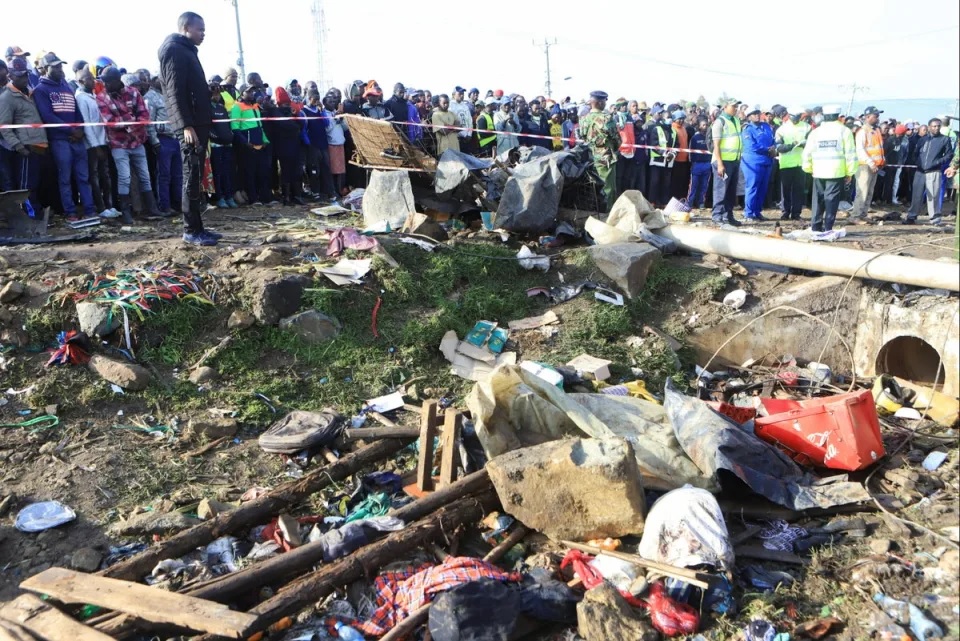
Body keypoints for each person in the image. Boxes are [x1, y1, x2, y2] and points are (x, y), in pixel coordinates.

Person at [158, 11, 219, 245]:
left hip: (197, 122)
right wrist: (186, 125)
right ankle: (190, 230)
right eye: (199, 29)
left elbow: (188, 88)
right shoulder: (174, 50)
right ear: (186, 28)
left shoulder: (186, 50)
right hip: (189, 126)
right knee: (191, 175)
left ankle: (198, 227)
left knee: (196, 176)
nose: (203, 34)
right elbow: (175, 92)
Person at [32, 52, 97, 222]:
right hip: (60, 140)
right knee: (65, 178)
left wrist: (80, 129)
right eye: (56, 67)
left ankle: (89, 210)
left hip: (77, 139)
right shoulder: (40, 90)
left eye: (61, 66)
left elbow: (76, 111)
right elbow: (48, 116)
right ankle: (70, 212)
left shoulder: (66, 86)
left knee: (83, 177)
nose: (60, 69)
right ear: (45, 69)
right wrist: (70, 131)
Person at [96, 67, 156, 223]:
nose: (105, 85)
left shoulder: (133, 93)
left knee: (145, 176)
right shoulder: (102, 98)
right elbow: (110, 122)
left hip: (138, 141)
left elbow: (144, 116)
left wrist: (128, 123)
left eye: (108, 82)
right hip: (118, 144)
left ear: (117, 81)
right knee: (124, 177)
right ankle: (126, 211)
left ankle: (152, 209)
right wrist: (132, 121)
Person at [0, 57, 47, 212]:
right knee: (26, 185)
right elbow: (4, 127)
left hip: (39, 144)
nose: (24, 78)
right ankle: (29, 215)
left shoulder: (31, 93)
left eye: (26, 74)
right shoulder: (7, 97)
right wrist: (19, 146)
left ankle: (35, 212)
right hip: (26, 147)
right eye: (19, 75)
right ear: (11, 76)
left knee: (36, 182)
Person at [801, 104, 856, 232]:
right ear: (837, 116)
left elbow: (807, 153)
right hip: (836, 172)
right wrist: (850, 172)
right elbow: (850, 154)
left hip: (818, 171)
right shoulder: (844, 131)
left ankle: (815, 227)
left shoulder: (816, 132)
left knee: (818, 200)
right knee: (831, 201)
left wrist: (808, 168)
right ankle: (828, 228)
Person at [75, 68, 119, 218]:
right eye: (89, 78)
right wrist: (95, 146)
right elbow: (87, 124)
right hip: (91, 145)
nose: (93, 81)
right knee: (94, 177)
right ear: (81, 81)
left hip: (102, 141)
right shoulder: (81, 98)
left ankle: (109, 205)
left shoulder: (93, 96)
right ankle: (100, 208)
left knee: (105, 175)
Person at [139, 69, 181, 216]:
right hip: (162, 139)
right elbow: (149, 122)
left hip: (175, 138)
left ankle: (179, 203)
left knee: (178, 175)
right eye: (160, 78)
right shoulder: (150, 97)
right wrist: (155, 141)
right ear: (153, 80)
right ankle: (165, 205)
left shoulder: (170, 95)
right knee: (164, 175)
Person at [906, 118, 952, 225]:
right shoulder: (923, 139)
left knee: (934, 196)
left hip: (934, 171)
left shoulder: (944, 139)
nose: (936, 128)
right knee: (916, 195)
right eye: (934, 126)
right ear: (929, 127)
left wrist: (937, 162)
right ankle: (912, 216)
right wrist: (918, 162)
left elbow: (949, 154)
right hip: (920, 172)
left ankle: (935, 218)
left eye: (938, 126)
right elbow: (916, 153)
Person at [231, 85, 272, 206]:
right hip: (248, 145)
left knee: (263, 172)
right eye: (248, 92)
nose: (251, 94)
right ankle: (253, 199)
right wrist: (245, 142)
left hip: (260, 143)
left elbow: (260, 126)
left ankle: (265, 197)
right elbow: (235, 128)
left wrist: (265, 140)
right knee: (250, 173)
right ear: (242, 93)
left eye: (252, 91)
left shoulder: (255, 106)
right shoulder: (237, 106)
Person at [579, 91, 619, 210]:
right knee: (608, 187)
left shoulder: (584, 119)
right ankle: (607, 213)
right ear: (600, 103)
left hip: (590, 157)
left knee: (593, 186)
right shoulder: (607, 118)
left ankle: (595, 211)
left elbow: (582, 136)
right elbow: (617, 139)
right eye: (605, 101)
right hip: (605, 158)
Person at [740, 104, 776, 221]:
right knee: (752, 187)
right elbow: (751, 146)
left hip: (766, 161)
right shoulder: (747, 129)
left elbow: (773, 140)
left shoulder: (766, 126)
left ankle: (757, 212)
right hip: (753, 162)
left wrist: (774, 147)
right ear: (749, 116)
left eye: (758, 113)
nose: (757, 115)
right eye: (754, 114)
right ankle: (749, 213)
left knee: (762, 188)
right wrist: (767, 149)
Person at [710, 98, 743, 226]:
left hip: (734, 160)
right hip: (723, 162)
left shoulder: (736, 120)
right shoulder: (720, 122)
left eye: (736, 106)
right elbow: (716, 145)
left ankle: (728, 216)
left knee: (731, 191)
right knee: (720, 190)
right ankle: (717, 216)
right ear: (725, 107)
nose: (736, 108)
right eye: (733, 106)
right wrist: (720, 164)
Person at [774, 106, 810, 220]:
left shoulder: (806, 127)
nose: (796, 119)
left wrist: (804, 144)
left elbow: (812, 143)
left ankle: (796, 213)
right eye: (794, 117)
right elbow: (779, 147)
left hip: (801, 164)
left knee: (798, 190)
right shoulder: (781, 130)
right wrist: (791, 146)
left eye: (798, 117)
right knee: (785, 190)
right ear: (789, 115)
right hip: (786, 164)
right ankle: (785, 212)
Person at [851, 105, 885, 222]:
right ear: (867, 117)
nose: (877, 118)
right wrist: (871, 162)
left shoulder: (876, 130)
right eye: (875, 116)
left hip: (875, 166)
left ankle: (863, 214)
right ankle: (855, 216)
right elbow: (860, 149)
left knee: (869, 192)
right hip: (865, 165)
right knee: (862, 192)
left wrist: (881, 161)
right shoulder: (862, 131)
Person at [302, 89, 336, 201]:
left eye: (318, 99)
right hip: (313, 145)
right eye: (314, 99)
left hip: (323, 143)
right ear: (309, 98)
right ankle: (315, 192)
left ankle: (330, 192)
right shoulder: (304, 112)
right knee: (314, 170)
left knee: (326, 168)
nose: (316, 101)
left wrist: (322, 111)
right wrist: (308, 143)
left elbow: (326, 123)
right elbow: (303, 130)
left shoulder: (320, 110)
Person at [208, 80, 236, 208]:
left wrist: (230, 136)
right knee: (218, 172)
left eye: (218, 94)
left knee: (227, 172)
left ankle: (229, 196)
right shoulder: (207, 108)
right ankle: (220, 197)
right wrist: (216, 137)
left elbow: (228, 124)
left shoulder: (222, 107)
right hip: (216, 146)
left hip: (227, 144)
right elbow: (208, 127)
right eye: (214, 94)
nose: (217, 96)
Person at [646, 105, 676, 208]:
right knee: (654, 183)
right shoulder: (656, 129)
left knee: (666, 184)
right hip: (657, 161)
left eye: (670, 118)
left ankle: (663, 202)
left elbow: (676, 145)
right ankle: (652, 202)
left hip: (669, 162)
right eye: (667, 117)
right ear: (663, 118)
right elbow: (654, 145)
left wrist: (672, 154)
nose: (669, 119)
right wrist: (664, 153)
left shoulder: (673, 131)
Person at [323, 92, 346, 200]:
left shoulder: (335, 112)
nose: (332, 104)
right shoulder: (325, 114)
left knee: (340, 170)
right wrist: (335, 118)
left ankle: (339, 190)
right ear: (325, 103)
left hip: (340, 143)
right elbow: (327, 129)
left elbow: (345, 128)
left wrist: (341, 119)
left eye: (333, 102)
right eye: (330, 102)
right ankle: (333, 191)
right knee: (333, 171)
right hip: (332, 144)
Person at [687, 117, 712, 210]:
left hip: (707, 164)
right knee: (693, 185)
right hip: (697, 164)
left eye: (706, 125)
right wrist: (692, 163)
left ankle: (701, 202)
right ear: (699, 126)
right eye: (703, 125)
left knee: (704, 185)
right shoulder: (695, 138)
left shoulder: (710, 138)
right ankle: (690, 203)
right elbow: (691, 151)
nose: (705, 127)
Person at [670, 109, 691, 201]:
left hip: (684, 159)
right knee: (675, 182)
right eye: (679, 119)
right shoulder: (673, 129)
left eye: (683, 119)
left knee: (682, 181)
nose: (681, 121)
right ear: (675, 119)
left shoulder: (683, 129)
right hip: (675, 160)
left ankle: (681, 198)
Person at [449, 87, 473, 153]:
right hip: (457, 137)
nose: (462, 95)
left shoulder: (465, 106)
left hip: (466, 137)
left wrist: (469, 134)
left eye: (463, 94)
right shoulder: (450, 106)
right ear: (454, 94)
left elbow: (470, 121)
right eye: (460, 94)